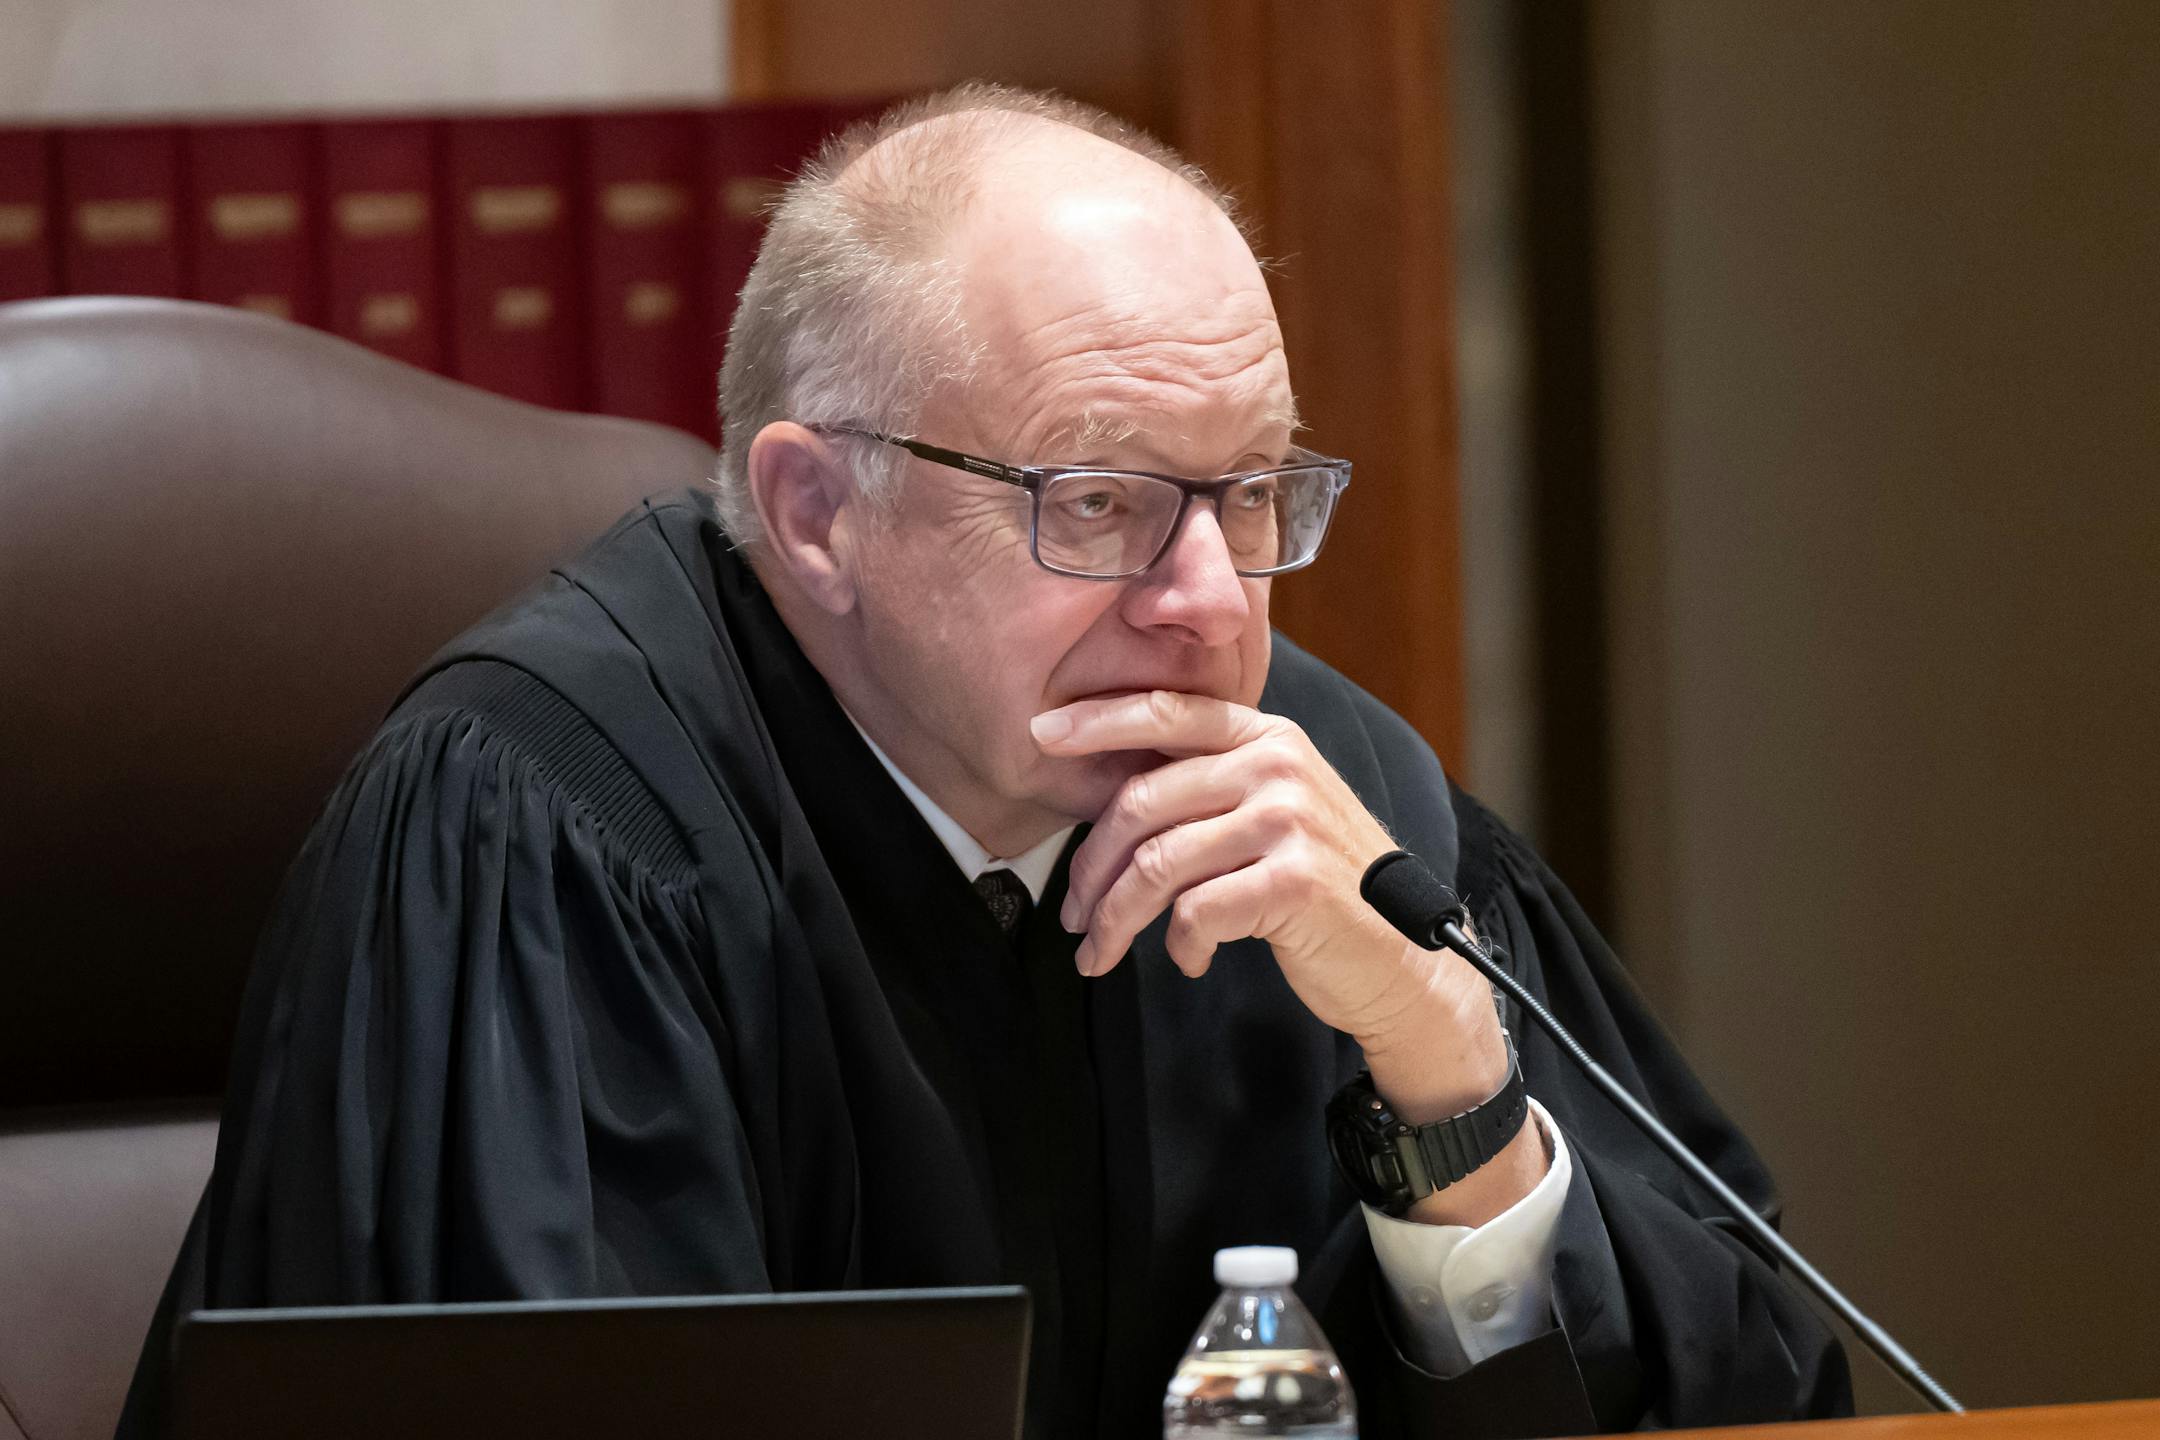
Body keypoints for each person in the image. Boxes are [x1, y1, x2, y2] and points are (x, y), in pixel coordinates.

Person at [123, 84, 1849, 1438]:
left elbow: (1755, 1407)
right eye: (1096, 503)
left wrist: (1445, 1076)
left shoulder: (1339, 803)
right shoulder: (553, 834)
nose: (1203, 605)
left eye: (1249, 496)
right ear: (816, 512)